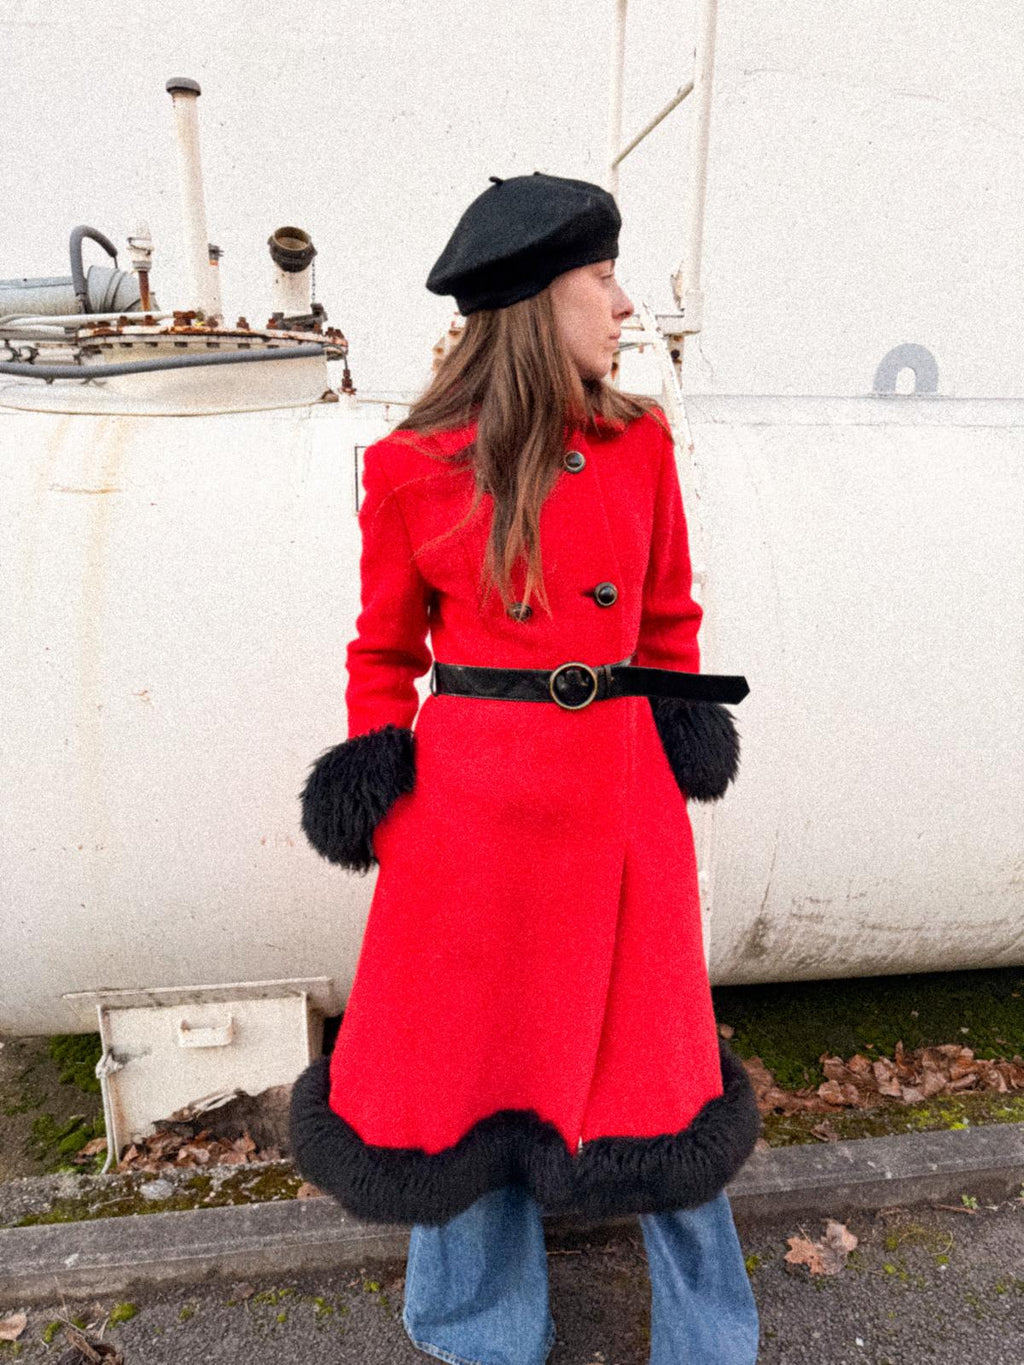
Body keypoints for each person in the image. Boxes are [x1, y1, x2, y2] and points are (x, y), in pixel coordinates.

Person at [290, 171, 761, 1364]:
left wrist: (674, 745)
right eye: (601, 277)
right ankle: (474, 1333)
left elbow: (668, 624)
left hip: (618, 803)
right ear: (538, 300)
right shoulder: (411, 465)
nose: (621, 301)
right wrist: (385, 796)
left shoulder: (640, 441)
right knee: (464, 1081)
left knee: (665, 1084)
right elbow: (384, 650)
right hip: (467, 818)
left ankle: (710, 1339)